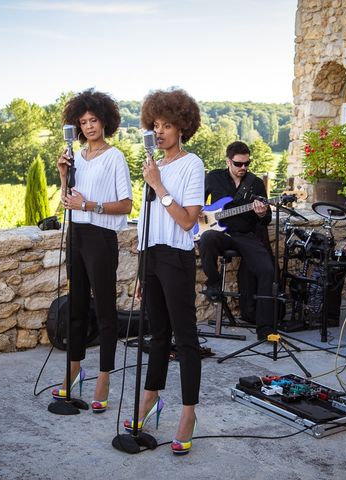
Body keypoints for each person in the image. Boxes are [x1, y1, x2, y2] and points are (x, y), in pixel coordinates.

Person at [124, 88, 204, 456]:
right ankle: (151, 399)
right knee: (157, 336)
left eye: (167, 125)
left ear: (182, 128)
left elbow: (188, 222)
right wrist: (142, 269)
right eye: (155, 125)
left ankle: (188, 414)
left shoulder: (192, 165)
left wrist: (158, 186)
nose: (159, 132)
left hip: (176, 257)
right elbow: (147, 222)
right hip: (152, 257)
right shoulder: (153, 166)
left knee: (184, 339)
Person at [54, 89, 133, 414]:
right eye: (83, 121)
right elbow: (66, 201)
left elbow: (126, 205)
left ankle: (103, 377)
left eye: (93, 120)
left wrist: (89, 204)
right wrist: (63, 176)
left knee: (103, 310)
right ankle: (74, 370)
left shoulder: (115, 158)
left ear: (105, 121)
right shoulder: (76, 158)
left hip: (102, 238)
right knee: (75, 306)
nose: (88, 126)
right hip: (77, 235)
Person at [197, 141, 275, 340]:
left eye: (247, 164)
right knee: (207, 238)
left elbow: (266, 220)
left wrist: (261, 213)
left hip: (246, 236)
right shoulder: (214, 177)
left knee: (267, 270)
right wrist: (198, 211)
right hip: (220, 234)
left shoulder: (255, 183)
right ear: (228, 161)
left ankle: (265, 328)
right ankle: (213, 283)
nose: (243, 168)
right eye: (239, 164)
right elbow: (198, 201)